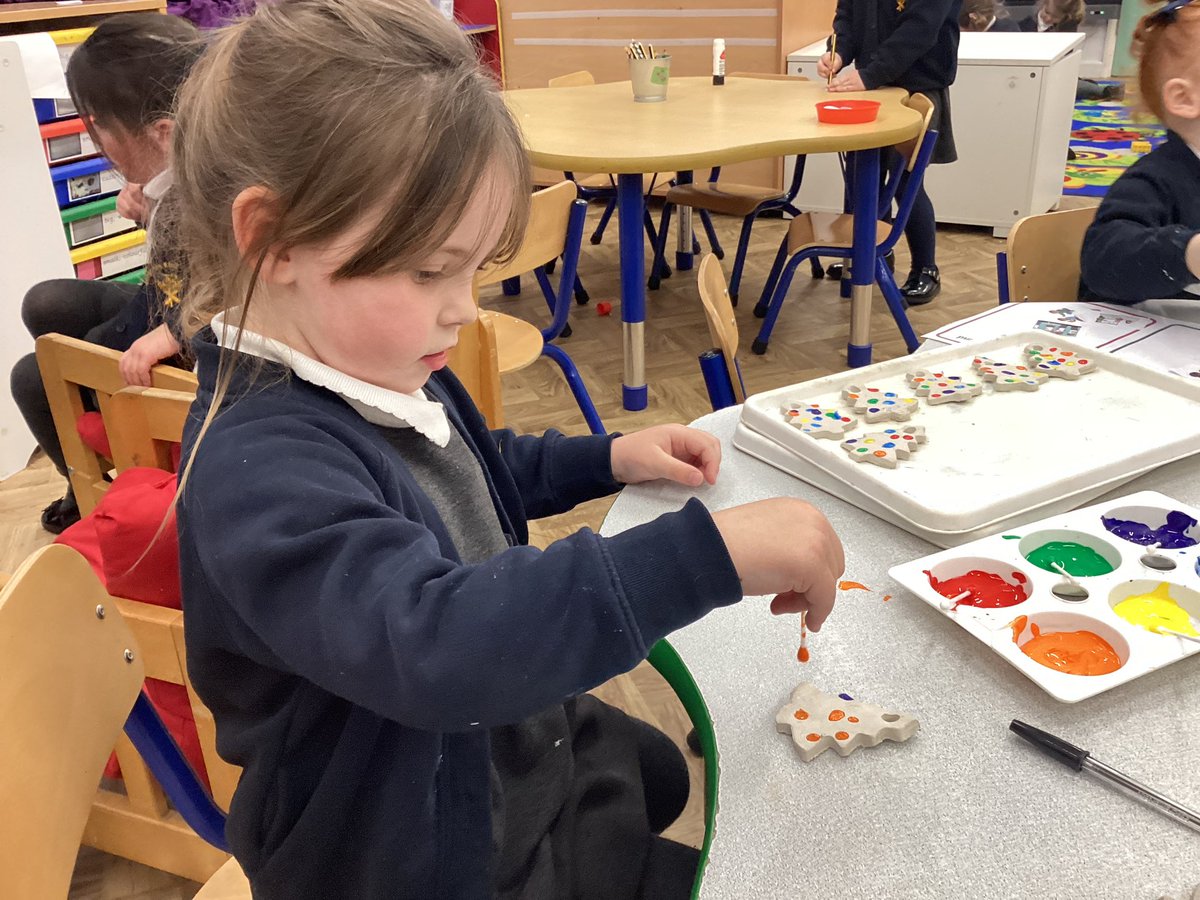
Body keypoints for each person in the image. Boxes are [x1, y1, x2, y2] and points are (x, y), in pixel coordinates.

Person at [170, 1, 846, 898]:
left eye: (474, 269)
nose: (464, 308)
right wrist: (701, 557)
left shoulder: (380, 363)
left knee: (659, 778)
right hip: (410, 856)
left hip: (501, 755)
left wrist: (606, 459)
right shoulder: (255, 470)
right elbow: (435, 644)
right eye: (428, 271)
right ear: (273, 240)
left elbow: (470, 470)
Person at [9, 13, 202, 533]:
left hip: (191, 332)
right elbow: (177, 262)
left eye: (102, 130)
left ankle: (88, 484)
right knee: (46, 303)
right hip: (166, 302)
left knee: (33, 378)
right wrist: (147, 211)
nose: (99, 143)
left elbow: (243, 283)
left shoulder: (209, 196)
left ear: (163, 134)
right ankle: (86, 466)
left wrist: (176, 331)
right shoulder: (179, 171)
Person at [819, 0, 963, 305]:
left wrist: (871, 74)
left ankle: (926, 269)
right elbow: (847, 16)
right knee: (863, 176)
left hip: (916, 86)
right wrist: (839, 52)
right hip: (872, 87)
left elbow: (920, 29)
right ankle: (874, 253)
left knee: (905, 182)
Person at [1080, 0, 1200, 304]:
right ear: (1184, 98)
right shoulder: (1154, 180)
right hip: (1146, 328)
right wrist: (1187, 253)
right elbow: (1102, 260)